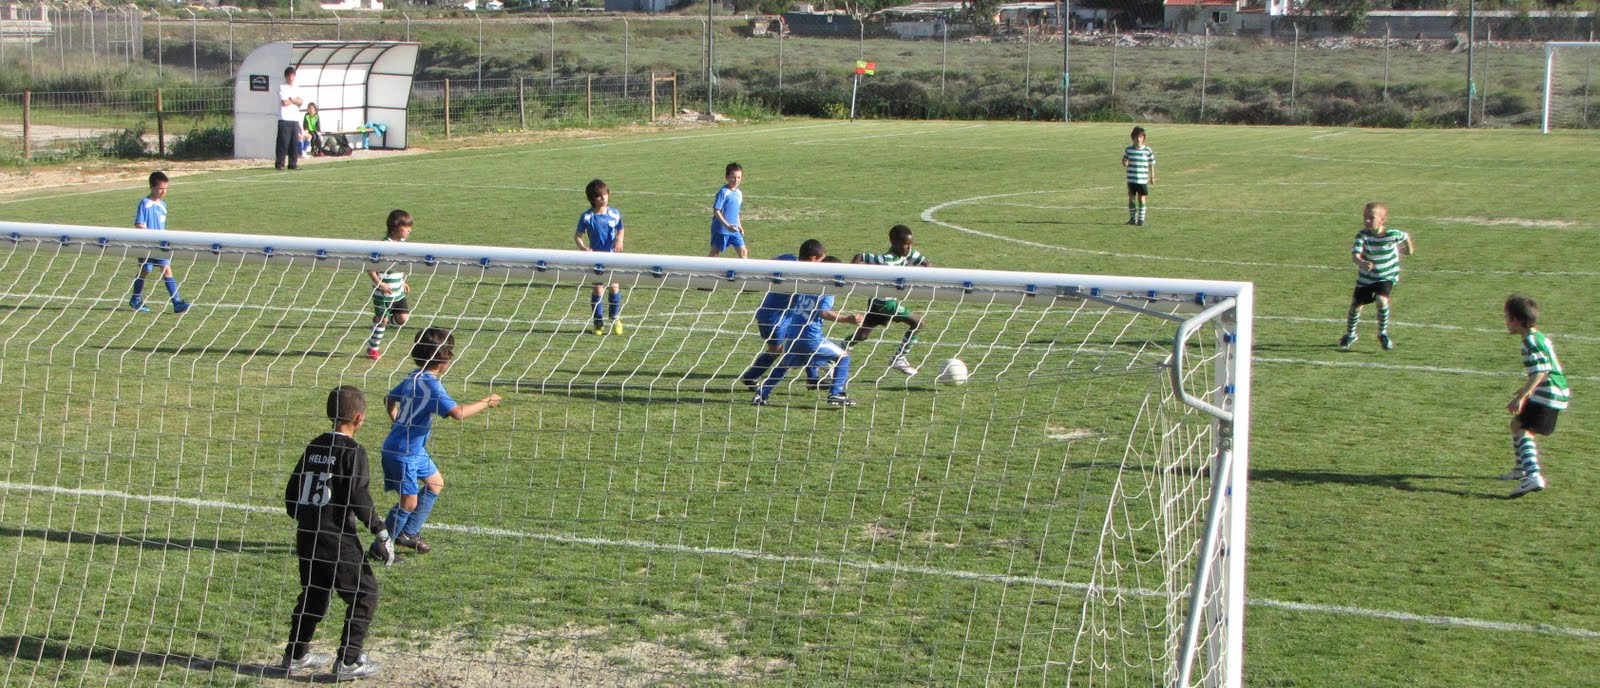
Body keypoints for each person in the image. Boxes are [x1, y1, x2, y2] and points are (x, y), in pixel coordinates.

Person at [282, 385, 389, 681]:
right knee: (365, 593)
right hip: (337, 538)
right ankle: (349, 660)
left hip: (308, 535)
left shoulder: (314, 446)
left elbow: (292, 494)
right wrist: (380, 531)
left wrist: (304, 516)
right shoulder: (352, 452)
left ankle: (295, 654)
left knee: (314, 595)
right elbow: (359, 496)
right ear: (359, 418)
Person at [380, 327, 502, 554]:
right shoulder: (432, 386)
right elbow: (457, 413)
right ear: (444, 359)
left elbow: (389, 398)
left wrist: (397, 421)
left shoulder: (413, 377)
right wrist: (487, 401)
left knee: (435, 483)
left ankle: (408, 533)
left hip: (412, 449)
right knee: (409, 503)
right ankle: (380, 547)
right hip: (404, 452)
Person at [750, 240, 863, 407]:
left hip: (794, 334)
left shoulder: (806, 283)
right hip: (810, 337)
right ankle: (836, 394)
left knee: (785, 364)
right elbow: (823, 312)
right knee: (843, 358)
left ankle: (761, 395)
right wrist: (848, 319)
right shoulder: (827, 290)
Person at [1500, 295, 1568, 498]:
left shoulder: (1530, 341)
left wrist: (1522, 396)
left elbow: (1540, 372)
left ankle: (1533, 475)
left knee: (1524, 430)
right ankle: (1521, 469)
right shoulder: (1537, 337)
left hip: (1550, 394)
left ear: (1516, 320)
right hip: (1552, 392)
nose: (1506, 322)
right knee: (1516, 424)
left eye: (1507, 317)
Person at [849, 224, 931, 376]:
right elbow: (860, 256)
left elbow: (926, 263)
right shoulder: (885, 259)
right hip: (884, 303)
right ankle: (898, 358)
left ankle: (835, 355)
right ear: (894, 243)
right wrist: (850, 273)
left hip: (877, 300)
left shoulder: (909, 254)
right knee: (918, 322)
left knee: (862, 335)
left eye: (910, 243)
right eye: (906, 244)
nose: (909, 247)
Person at [1339, 202, 1414, 351]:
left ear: (1382, 219)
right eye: (1365, 217)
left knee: (1381, 300)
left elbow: (1405, 236)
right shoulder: (1363, 235)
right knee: (1356, 306)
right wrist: (1361, 262)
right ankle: (1351, 334)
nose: (1367, 221)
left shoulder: (1391, 235)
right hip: (1366, 278)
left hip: (1386, 276)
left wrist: (1409, 250)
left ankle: (1382, 333)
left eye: (1371, 218)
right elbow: (1355, 255)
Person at [129, 170, 191, 314]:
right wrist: (148, 239)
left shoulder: (163, 205)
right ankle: (138, 299)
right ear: (152, 187)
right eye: (160, 188)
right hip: (148, 245)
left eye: (166, 189)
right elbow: (139, 224)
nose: (163, 192)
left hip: (160, 245)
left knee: (160, 269)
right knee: (149, 270)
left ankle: (173, 302)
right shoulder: (145, 203)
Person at [738, 253, 798, 391]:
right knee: (779, 350)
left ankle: (815, 376)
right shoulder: (794, 264)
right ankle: (752, 376)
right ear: (813, 258)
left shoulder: (789, 258)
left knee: (798, 344)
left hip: (778, 315)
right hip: (775, 318)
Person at [574, 179, 625, 336]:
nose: (603, 198)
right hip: (596, 258)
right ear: (592, 199)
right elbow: (578, 236)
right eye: (599, 196)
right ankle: (598, 322)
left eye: (605, 194)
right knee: (598, 289)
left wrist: (619, 239)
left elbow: (620, 229)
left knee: (614, 286)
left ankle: (615, 318)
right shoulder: (587, 217)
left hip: (612, 257)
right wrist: (583, 248)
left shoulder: (615, 214)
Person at [366, 210, 413, 361]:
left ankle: (380, 323)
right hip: (383, 293)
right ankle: (373, 348)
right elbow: (371, 268)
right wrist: (380, 284)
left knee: (403, 319)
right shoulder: (384, 246)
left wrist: (403, 281)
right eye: (406, 227)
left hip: (398, 291)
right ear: (395, 227)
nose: (409, 230)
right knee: (383, 319)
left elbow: (399, 266)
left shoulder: (404, 244)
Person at [709, 162, 748, 259]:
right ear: (727, 177)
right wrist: (727, 226)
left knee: (743, 252)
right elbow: (717, 211)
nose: (736, 180)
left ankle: (741, 272)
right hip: (721, 230)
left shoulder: (739, 193)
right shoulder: (724, 192)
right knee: (714, 254)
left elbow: (736, 213)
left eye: (739, 177)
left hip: (734, 230)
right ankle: (702, 270)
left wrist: (740, 226)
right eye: (733, 177)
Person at [1121, 126, 1155, 226]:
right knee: (1131, 198)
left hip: (1142, 180)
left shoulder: (1147, 150)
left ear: (1143, 138)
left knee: (1141, 198)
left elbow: (1151, 163)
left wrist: (1152, 176)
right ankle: (1132, 219)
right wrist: (1125, 163)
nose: (1138, 139)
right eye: (1136, 137)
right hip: (1131, 179)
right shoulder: (1129, 150)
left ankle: (1141, 219)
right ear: (1133, 138)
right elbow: (1124, 160)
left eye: (1140, 137)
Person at [276, 66, 305, 170]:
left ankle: (293, 163)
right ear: (286, 77)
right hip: (284, 118)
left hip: (294, 118)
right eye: (289, 76)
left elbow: (301, 102)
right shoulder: (282, 87)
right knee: (283, 143)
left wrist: (291, 99)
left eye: (293, 76)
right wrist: (294, 100)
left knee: (294, 143)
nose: (291, 78)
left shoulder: (297, 87)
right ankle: (280, 164)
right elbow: (284, 102)